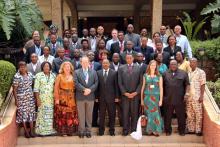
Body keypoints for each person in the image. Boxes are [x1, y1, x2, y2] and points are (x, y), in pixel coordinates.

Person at [163, 60, 190, 136]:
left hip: (180, 99)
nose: (173, 66)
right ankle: (168, 130)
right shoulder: (165, 74)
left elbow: (187, 84)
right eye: (171, 64)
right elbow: (162, 86)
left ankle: (181, 131)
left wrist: (187, 93)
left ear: (177, 65)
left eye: (174, 64)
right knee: (167, 116)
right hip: (168, 98)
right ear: (169, 65)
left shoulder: (183, 73)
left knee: (181, 116)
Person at [118, 54, 142, 136]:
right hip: (125, 95)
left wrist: (136, 92)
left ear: (133, 58)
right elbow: (120, 82)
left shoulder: (138, 68)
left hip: (135, 95)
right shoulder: (121, 68)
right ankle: (125, 130)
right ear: (125, 59)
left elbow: (141, 82)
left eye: (130, 58)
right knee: (125, 113)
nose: (129, 59)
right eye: (127, 58)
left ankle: (134, 129)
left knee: (134, 113)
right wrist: (125, 93)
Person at [74, 56, 98, 138]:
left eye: (86, 62)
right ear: (81, 63)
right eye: (83, 62)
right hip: (80, 97)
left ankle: (88, 131)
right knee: (81, 115)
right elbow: (76, 83)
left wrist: (90, 90)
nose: (85, 64)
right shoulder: (76, 72)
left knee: (89, 115)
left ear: (89, 63)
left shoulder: (94, 72)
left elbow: (96, 83)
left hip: (90, 97)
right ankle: (81, 131)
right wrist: (84, 90)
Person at [54, 61, 78, 136]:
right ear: (63, 68)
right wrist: (57, 99)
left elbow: (76, 87)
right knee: (63, 115)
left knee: (70, 115)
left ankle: (70, 131)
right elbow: (56, 88)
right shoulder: (59, 76)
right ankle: (63, 131)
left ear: (71, 68)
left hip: (71, 98)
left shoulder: (73, 76)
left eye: (68, 67)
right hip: (62, 98)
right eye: (65, 67)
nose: (67, 68)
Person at [13, 61, 36, 138]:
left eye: (24, 66)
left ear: (26, 67)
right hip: (21, 99)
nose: (22, 68)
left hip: (30, 98)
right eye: (21, 67)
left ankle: (32, 131)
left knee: (31, 114)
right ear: (19, 68)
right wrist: (16, 100)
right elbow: (14, 90)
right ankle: (26, 131)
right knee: (23, 115)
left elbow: (33, 83)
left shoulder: (30, 74)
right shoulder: (17, 76)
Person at [141, 60, 164, 136]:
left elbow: (161, 88)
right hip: (147, 97)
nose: (153, 66)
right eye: (151, 65)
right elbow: (143, 87)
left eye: (154, 65)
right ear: (149, 66)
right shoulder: (145, 75)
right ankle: (149, 130)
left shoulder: (159, 76)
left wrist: (161, 100)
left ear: (156, 66)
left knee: (155, 113)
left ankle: (156, 130)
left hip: (156, 97)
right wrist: (141, 99)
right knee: (149, 114)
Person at [34, 61, 56, 136]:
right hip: (42, 99)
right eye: (45, 66)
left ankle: (49, 130)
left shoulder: (53, 75)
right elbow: (36, 89)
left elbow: (55, 88)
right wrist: (37, 99)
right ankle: (41, 131)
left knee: (50, 115)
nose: (46, 67)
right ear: (42, 67)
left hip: (51, 99)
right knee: (42, 115)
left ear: (50, 67)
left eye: (48, 66)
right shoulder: (38, 75)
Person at [97, 59, 119, 136]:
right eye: (104, 63)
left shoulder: (114, 73)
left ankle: (112, 130)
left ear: (109, 64)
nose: (105, 64)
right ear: (102, 64)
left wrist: (117, 96)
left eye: (107, 63)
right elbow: (97, 86)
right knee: (101, 115)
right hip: (101, 98)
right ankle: (101, 131)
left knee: (112, 115)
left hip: (112, 98)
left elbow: (116, 86)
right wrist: (96, 97)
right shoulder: (98, 73)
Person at [186, 58, 206, 136]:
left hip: (197, 96)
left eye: (194, 62)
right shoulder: (188, 73)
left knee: (198, 113)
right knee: (189, 113)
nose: (192, 63)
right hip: (189, 96)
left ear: (196, 63)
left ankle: (198, 130)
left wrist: (201, 95)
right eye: (191, 62)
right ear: (189, 63)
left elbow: (203, 84)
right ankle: (191, 129)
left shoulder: (201, 72)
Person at [109, 53, 123, 126]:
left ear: (119, 58)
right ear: (112, 58)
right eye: (114, 57)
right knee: (111, 109)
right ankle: (111, 124)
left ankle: (122, 123)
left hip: (121, 91)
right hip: (111, 90)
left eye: (117, 57)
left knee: (121, 109)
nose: (115, 58)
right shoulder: (109, 65)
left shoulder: (123, 66)